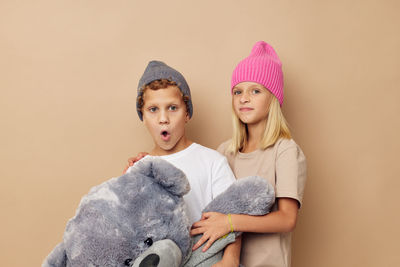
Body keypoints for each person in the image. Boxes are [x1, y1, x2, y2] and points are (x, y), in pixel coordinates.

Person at [189, 41, 307, 267]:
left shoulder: (285, 151)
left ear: (273, 98)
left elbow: (287, 219)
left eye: (255, 91)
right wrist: (150, 160)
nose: (244, 98)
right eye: (238, 91)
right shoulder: (225, 151)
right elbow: (199, 193)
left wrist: (230, 223)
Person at [126, 60, 241, 266]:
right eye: (153, 109)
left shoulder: (212, 161)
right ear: (142, 116)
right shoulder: (137, 170)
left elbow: (234, 215)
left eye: (172, 108)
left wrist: (231, 259)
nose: (163, 118)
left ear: (187, 113)